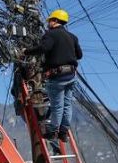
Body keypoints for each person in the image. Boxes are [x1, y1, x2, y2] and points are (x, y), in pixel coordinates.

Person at [24, 9, 81, 149]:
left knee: (57, 106)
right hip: (71, 75)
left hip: (57, 76)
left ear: (55, 21)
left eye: (50, 20)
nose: (48, 23)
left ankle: (53, 130)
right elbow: (79, 55)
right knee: (67, 105)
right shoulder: (72, 37)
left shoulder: (50, 34)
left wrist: (27, 51)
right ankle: (63, 132)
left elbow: (44, 48)